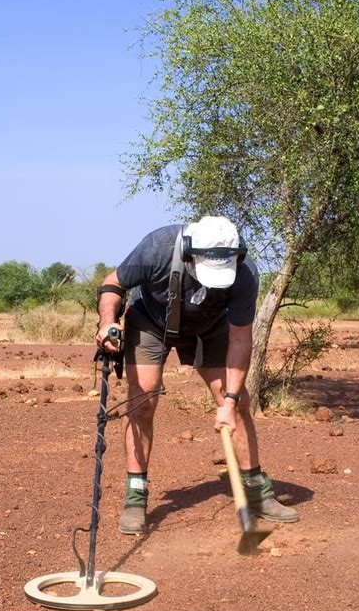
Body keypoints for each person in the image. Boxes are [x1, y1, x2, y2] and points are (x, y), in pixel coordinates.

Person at [96, 216, 298, 534]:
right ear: (190, 254)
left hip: (209, 327)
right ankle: (135, 497)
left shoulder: (245, 275)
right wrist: (108, 321)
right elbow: (113, 283)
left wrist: (229, 402)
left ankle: (256, 491)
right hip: (151, 320)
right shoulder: (157, 248)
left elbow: (241, 339)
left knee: (239, 402)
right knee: (143, 399)